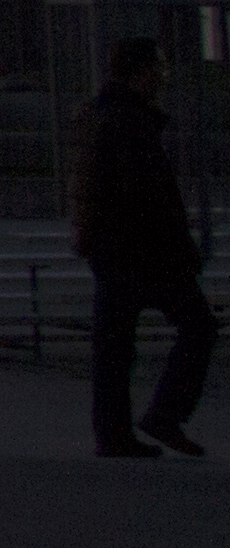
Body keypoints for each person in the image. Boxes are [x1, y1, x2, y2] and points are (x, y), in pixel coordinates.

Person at [74, 37, 208, 460]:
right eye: (159, 69)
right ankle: (163, 415)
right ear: (141, 72)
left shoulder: (100, 115)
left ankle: (115, 434)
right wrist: (182, 250)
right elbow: (151, 197)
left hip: (111, 246)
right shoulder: (129, 123)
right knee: (199, 326)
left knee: (114, 345)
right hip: (140, 250)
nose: (163, 77)